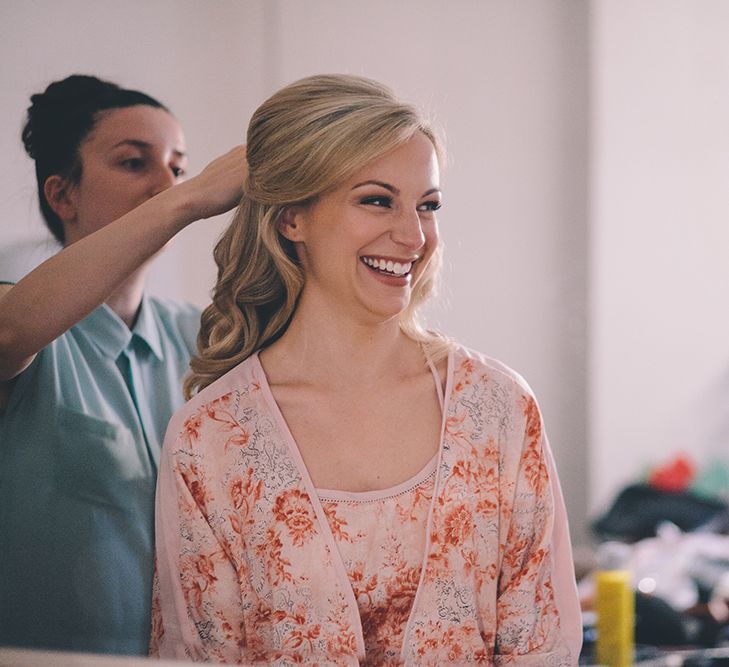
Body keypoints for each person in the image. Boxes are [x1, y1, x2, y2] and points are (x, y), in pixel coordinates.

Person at [152, 74, 582, 665]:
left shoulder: (497, 408)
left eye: (427, 205)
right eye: (377, 200)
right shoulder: (212, 438)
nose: (413, 236)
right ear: (290, 219)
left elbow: (543, 645)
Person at [0, 74, 245, 655]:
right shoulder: (22, 317)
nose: (166, 181)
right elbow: (10, 330)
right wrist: (189, 197)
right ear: (63, 196)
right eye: (135, 163)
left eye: (178, 167)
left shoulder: (201, 336)